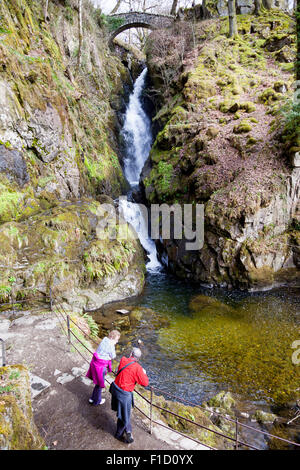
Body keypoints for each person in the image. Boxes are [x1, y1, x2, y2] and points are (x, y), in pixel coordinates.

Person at [110, 347, 149, 444]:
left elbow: (121, 370)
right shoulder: (138, 368)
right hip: (124, 395)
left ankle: (127, 430)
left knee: (123, 414)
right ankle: (120, 434)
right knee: (125, 415)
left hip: (116, 390)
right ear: (138, 359)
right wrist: (143, 373)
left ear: (131, 354)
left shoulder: (123, 359)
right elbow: (145, 383)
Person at [86, 330, 120, 406]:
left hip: (95, 362)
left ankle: (92, 398)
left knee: (97, 383)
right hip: (101, 366)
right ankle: (97, 401)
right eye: (116, 339)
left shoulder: (105, 339)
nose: (117, 341)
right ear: (112, 337)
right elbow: (113, 356)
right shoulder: (111, 345)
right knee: (99, 384)